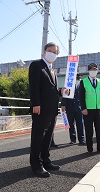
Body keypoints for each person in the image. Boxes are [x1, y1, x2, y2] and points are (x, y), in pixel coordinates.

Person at [28, 42, 69, 178]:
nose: (53, 54)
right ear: (45, 52)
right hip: (40, 109)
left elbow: (51, 90)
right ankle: (36, 164)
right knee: (38, 137)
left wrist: (60, 91)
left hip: (52, 109)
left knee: (48, 137)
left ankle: (46, 160)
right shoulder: (37, 65)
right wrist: (36, 104)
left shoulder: (52, 70)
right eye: (50, 51)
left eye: (55, 52)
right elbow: (34, 87)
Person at [79, 63, 100, 154]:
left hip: (98, 109)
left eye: (95, 69)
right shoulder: (83, 81)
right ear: (88, 71)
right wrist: (83, 108)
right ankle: (90, 149)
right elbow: (81, 96)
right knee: (89, 130)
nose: (93, 71)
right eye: (91, 69)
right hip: (88, 110)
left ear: (97, 71)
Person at [61, 74, 85, 145]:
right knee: (71, 124)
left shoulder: (82, 84)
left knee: (80, 124)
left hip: (79, 107)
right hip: (69, 106)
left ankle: (81, 139)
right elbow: (64, 95)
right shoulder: (68, 84)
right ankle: (72, 139)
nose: (78, 78)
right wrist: (63, 104)